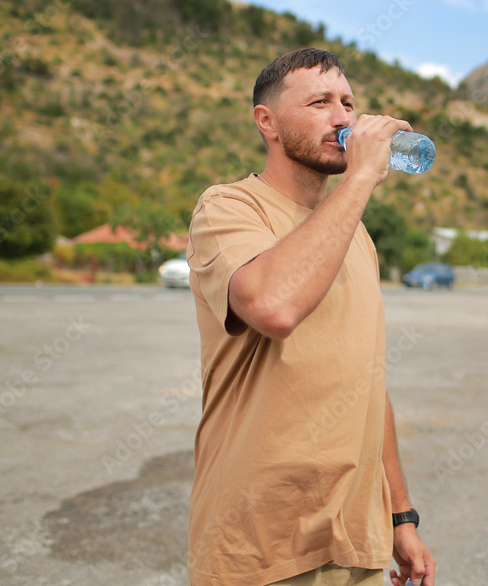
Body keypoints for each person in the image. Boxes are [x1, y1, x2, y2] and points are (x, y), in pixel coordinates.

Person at [185, 47, 435, 586]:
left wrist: (401, 518)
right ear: (266, 122)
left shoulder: (356, 233)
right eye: (320, 102)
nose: (343, 118)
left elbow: (370, 382)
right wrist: (361, 179)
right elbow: (274, 307)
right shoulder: (228, 207)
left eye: (348, 103)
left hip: (357, 540)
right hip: (261, 546)